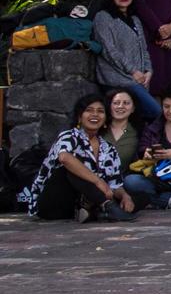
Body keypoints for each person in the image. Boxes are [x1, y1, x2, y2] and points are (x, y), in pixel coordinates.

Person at [27, 94, 137, 222]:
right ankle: (106, 208)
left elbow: (114, 184)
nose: (95, 114)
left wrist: (124, 196)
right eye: (89, 110)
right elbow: (64, 158)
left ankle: (95, 212)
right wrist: (98, 181)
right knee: (70, 168)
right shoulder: (69, 136)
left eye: (100, 111)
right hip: (53, 202)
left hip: (84, 201)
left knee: (140, 197)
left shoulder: (109, 148)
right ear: (79, 117)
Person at [92, 0, 163, 120]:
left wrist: (148, 71)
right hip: (118, 79)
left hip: (139, 79)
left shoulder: (135, 19)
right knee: (157, 112)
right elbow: (109, 50)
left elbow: (144, 49)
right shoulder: (103, 17)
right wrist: (133, 71)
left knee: (139, 121)